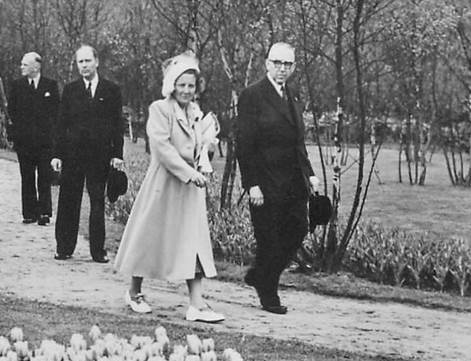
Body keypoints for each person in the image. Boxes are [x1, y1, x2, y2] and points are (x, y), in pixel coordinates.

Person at [114, 52, 224, 323]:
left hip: (189, 191)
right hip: (164, 185)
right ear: (172, 85)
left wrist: (206, 152)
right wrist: (188, 172)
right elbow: (162, 149)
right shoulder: (159, 109)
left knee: (194, 241)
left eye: (191, 85)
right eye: (181, 84)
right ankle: (134, 291)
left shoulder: (197, 113)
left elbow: (199, 149)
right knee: (149, 237)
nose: (186, 90)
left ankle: (196, 303)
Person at [236, 42, 322, 314]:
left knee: (297, 230)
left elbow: (298, 141)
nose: (283, 69)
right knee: (269, 240)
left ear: (294, 67)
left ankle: (260, 274)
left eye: (288, 64)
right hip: (265, 181)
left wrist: (310, 174)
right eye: (278, 63)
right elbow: (244, 144)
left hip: (294, 182)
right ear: (267, 64)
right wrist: (252, 185)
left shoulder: (292, 95)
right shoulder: (252, 95)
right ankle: (268, 293)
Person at [51, 44, 124, 263]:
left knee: (97, 202)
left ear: (97, 62)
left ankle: (98, 251)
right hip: (73, 155)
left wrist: (117, 154)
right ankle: (64, 247)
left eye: (87, 61)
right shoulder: (71, 90)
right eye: (80, 62)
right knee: (68, 201)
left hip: (100, 156)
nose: (84, 66)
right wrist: (57, 154)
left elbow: (117, 124)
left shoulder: (111, 90)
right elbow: (61, 123)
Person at [6, 51, 59, 225]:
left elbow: (56, 113)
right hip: (25, 141)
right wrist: (14, 135)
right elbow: (11, 112)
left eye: (25, 64)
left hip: (45, 142)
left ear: (36, 66)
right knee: (27, 176)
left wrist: (53, 137)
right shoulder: (17, 85)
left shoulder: (50, 85)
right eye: (21, 64)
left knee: (44, 176)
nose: (21, 67)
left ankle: (44, 212)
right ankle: (29, 212)